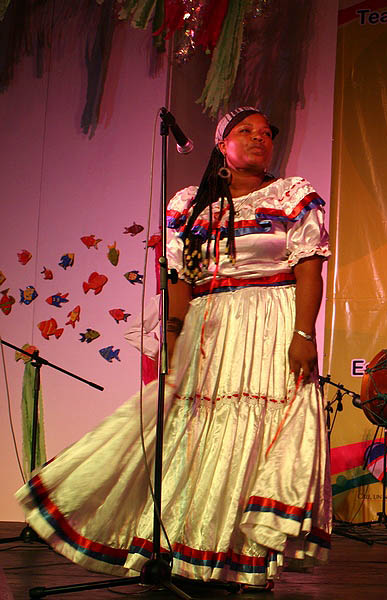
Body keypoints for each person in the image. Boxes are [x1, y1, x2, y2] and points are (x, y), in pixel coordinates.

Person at [16, 106, 331, 588]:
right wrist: (174, 337)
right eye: (246, 130)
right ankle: (181, 549)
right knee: (190, 434)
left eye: (266, 133)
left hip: (270, 323)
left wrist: (303, 334)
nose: (259, 138)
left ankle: (239, 557)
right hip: (209, 326)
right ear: (221, 143)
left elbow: (309, 266)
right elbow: (179, 277)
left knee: (254, 437)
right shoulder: (188, 203)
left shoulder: (292, 194)